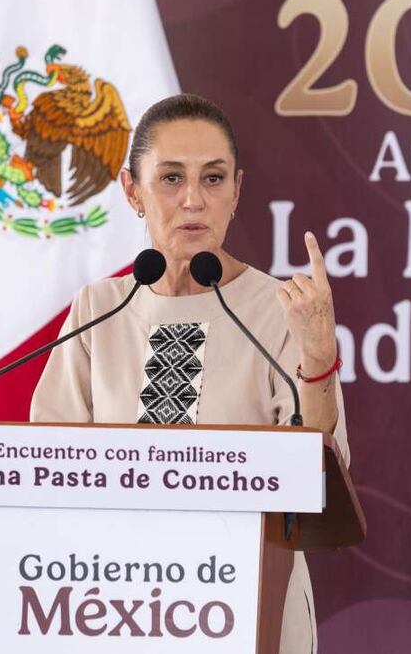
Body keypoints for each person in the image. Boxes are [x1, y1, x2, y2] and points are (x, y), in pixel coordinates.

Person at [30, 93, 349, 653]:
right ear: (133, 192)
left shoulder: (282, 308)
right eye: (171, 179)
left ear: (237, 191)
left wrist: (318, 356)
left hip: (251, 606)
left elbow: (318, 473)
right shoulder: (97, 309)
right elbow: (45, 474)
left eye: (214, 178)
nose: (194, 200)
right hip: (113, 607)